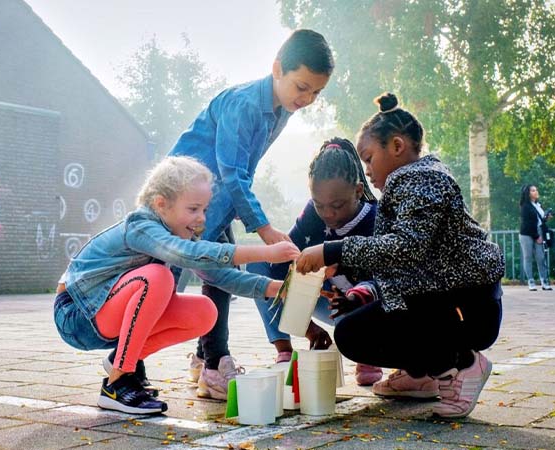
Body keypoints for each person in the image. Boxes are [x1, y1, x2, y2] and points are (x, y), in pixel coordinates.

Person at [296, 93, 504, 419]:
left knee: (355, 334)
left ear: (396, 147)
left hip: (466, 306)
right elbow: (402, 264)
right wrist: (353, 283)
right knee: (354, 328)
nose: (367, 171)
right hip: (446, 300)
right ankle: (421, 375)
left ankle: (462, 364)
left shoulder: (420, 179)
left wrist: (331, 250)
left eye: (368, 158)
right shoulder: (409, 182)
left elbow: (406, 249)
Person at [54, 156, 300, 414]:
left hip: (104, 314)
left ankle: (120, 360)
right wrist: (267, 252)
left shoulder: (174, 233)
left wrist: (277, 288)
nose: (201, 218)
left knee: (205, 312)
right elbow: (188, 254)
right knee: (158, 278)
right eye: (193, 209)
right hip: (77, 315)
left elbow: (221, 276)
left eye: (204, 209)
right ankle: (117, 384)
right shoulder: (142, 226)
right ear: (161, 204)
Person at [168, 29, 335, 399]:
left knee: (222, 278)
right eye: (302, 87)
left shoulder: (282, 110)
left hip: (217, 206)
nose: (307, 99)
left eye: (316, 93)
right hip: (184, 206)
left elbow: (240, 173)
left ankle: (206, 360)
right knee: (164, 284)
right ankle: (132, 369)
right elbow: (232, 171)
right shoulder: (244, 103)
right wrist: (263, 227)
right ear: (277, 68)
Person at [247, 137, 383, 386]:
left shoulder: (376, 219)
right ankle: (284, 351)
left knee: (366, 307)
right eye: (320, 205)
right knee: (258, 265)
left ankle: (367, 352)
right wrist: (306, 325)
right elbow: (281, 264)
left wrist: (341, 270)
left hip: (360, 307)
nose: (328, 214)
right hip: (327, 299)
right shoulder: (313, 214)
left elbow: (383, 282)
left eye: (337, 205)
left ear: (358, 191)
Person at [519, 185, 553, 291]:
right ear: (528, 193)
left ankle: (544, 281)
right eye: (533, 190)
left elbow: (539, 220)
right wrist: (536, 236)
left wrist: (546, 218)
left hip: (538, 231)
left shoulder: (537, 204)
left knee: (540, 256)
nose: (536, 192)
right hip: (527, 233)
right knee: (528, 257)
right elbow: (528, 223)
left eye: (536, 190)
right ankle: (531, 282)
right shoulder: (525, 206)